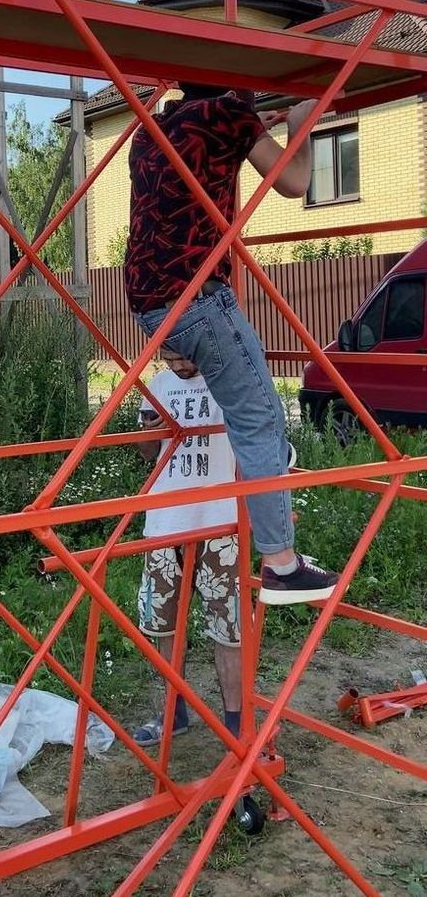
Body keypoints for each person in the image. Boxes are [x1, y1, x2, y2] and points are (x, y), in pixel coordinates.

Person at [125, 83, 337, 606]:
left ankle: (268, 467)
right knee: (259, 417)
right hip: (197, 295)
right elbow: (294, 182)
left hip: (149, 302)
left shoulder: (150, 130)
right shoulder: (231, 113)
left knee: (252, 416)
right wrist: (301, 126)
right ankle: (281, 564)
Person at [134, 348, 243, 746]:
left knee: (228, 628)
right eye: (169, 359)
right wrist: (153, 432)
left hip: (219, 520)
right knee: (163, 624)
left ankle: (236, 725)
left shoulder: (226, 381)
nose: (178, 366)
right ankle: (174, 713)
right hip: (166, 522)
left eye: (183, 357)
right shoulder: (158, 386)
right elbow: (148, 453)